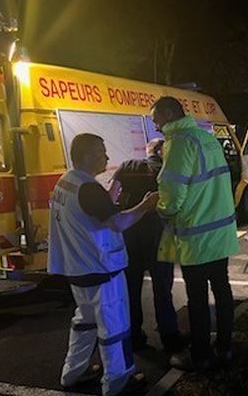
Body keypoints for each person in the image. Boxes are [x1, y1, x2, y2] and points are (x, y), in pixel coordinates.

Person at [48, 133, 156, 396]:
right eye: (102, 152)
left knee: (84, 323)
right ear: (87, 156)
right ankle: (118, 382)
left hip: (77, 270)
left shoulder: (67, 181)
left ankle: (72, 373)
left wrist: (108, 198)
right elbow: (117, 223)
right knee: (114, 327)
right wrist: (145, 206)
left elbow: (86, 214)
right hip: (102, 271)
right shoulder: (89, 188)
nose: (107, 158)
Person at [150, 97, 239, 372]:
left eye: (156, 119)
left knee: (198, 300)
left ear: (168, 114)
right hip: (220, 233)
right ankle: (224, 348)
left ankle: (200, 356)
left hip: (197, 239)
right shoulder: (206, 138)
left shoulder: (178, 142)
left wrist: (161, 210)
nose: (155, 126)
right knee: (223, 292)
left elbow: (172, 196)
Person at [109, 139, 184, 352]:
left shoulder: (126, 166)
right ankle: (169, 336)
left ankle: (134, 337)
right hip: (159, 234)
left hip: (130, 233)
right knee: (162, 287)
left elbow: (111, 195)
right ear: (160, 151)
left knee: (131, 287)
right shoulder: (166, 170)